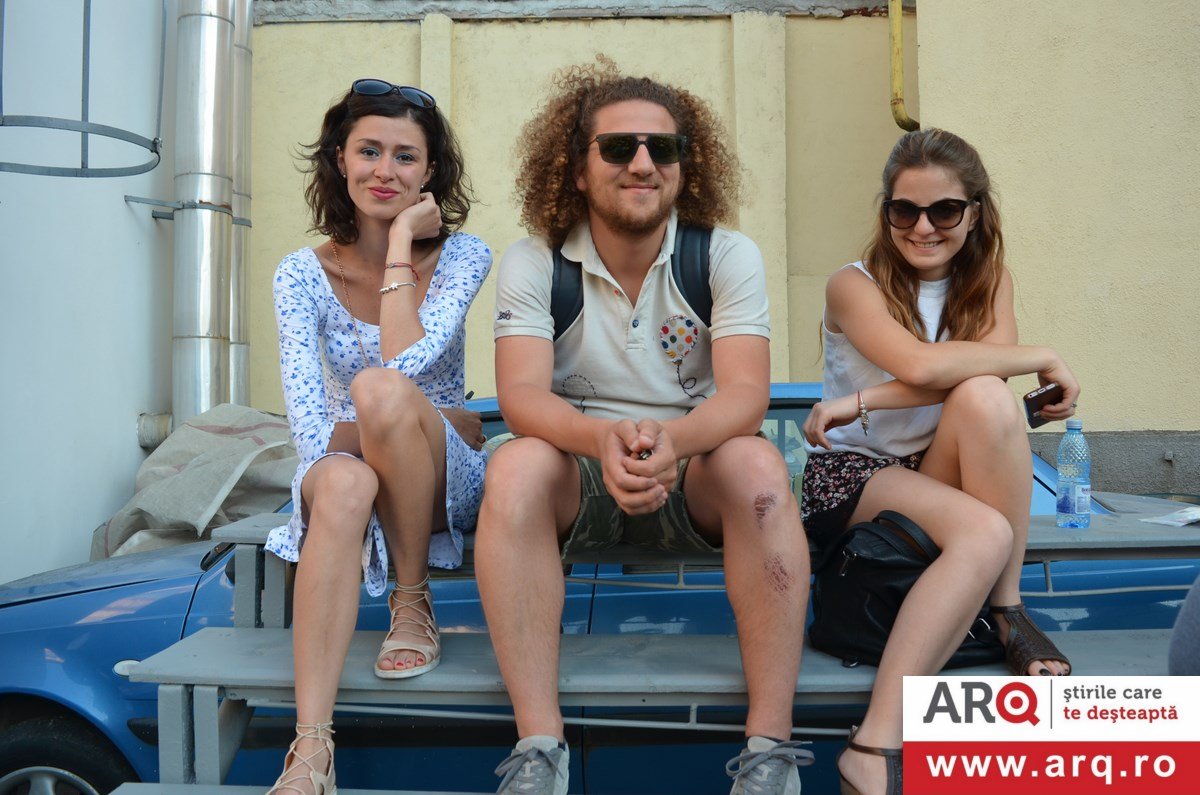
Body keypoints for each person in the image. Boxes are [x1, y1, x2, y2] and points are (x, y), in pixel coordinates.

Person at [476, 63, 813, 795]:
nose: (642, 163)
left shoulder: (724, 253)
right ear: (576, 168)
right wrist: (599, 440)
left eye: (663, 148)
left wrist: (674, 443)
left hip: (693, 468)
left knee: (758, 469)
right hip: (580, 467)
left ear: (686, 167)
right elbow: (521, 396)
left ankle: (770, 754)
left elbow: (746, 395)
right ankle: (539, 752)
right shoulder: (536, 260)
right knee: (515, 465)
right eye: (618, 147)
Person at [800, 128, 1079, 795]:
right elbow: (923, 367)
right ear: (887, 211)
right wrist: (1044, 356)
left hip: (930, 467)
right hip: (851, 474)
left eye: (944, 210)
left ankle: (1005, 609)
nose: (922, 227)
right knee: (984, 528)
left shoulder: (989, 280)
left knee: (985, 395)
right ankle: (873, 745)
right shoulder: (853, 284)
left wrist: (863, 397)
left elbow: (977, 375)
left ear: (974, 213)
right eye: (905, 210)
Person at [263, 78, 492, 795]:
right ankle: (311, 748)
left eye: (405, 156)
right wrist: (447, 416)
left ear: (430, 173)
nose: (384, 171)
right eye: (368, 151)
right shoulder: (300, 275)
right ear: (340, 159)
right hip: (355, 475)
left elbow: (403, 364)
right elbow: (309, 433)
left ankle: (411, 598)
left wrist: (398, 247)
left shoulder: (464, 256)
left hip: (444, 481)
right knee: (339, 478)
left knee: (378, 389)